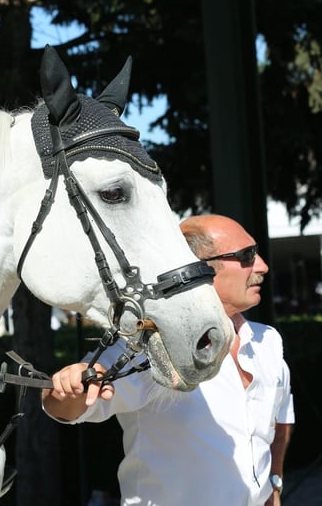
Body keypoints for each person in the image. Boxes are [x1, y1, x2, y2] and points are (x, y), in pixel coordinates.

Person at [42, 214, 294, 506]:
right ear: (198, 268)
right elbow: (63, 407)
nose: (262, 266)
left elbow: (281, 419)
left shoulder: (268, 342)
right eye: (246, 256)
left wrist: (274, 480)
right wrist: (69, 384)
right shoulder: (151, 345)